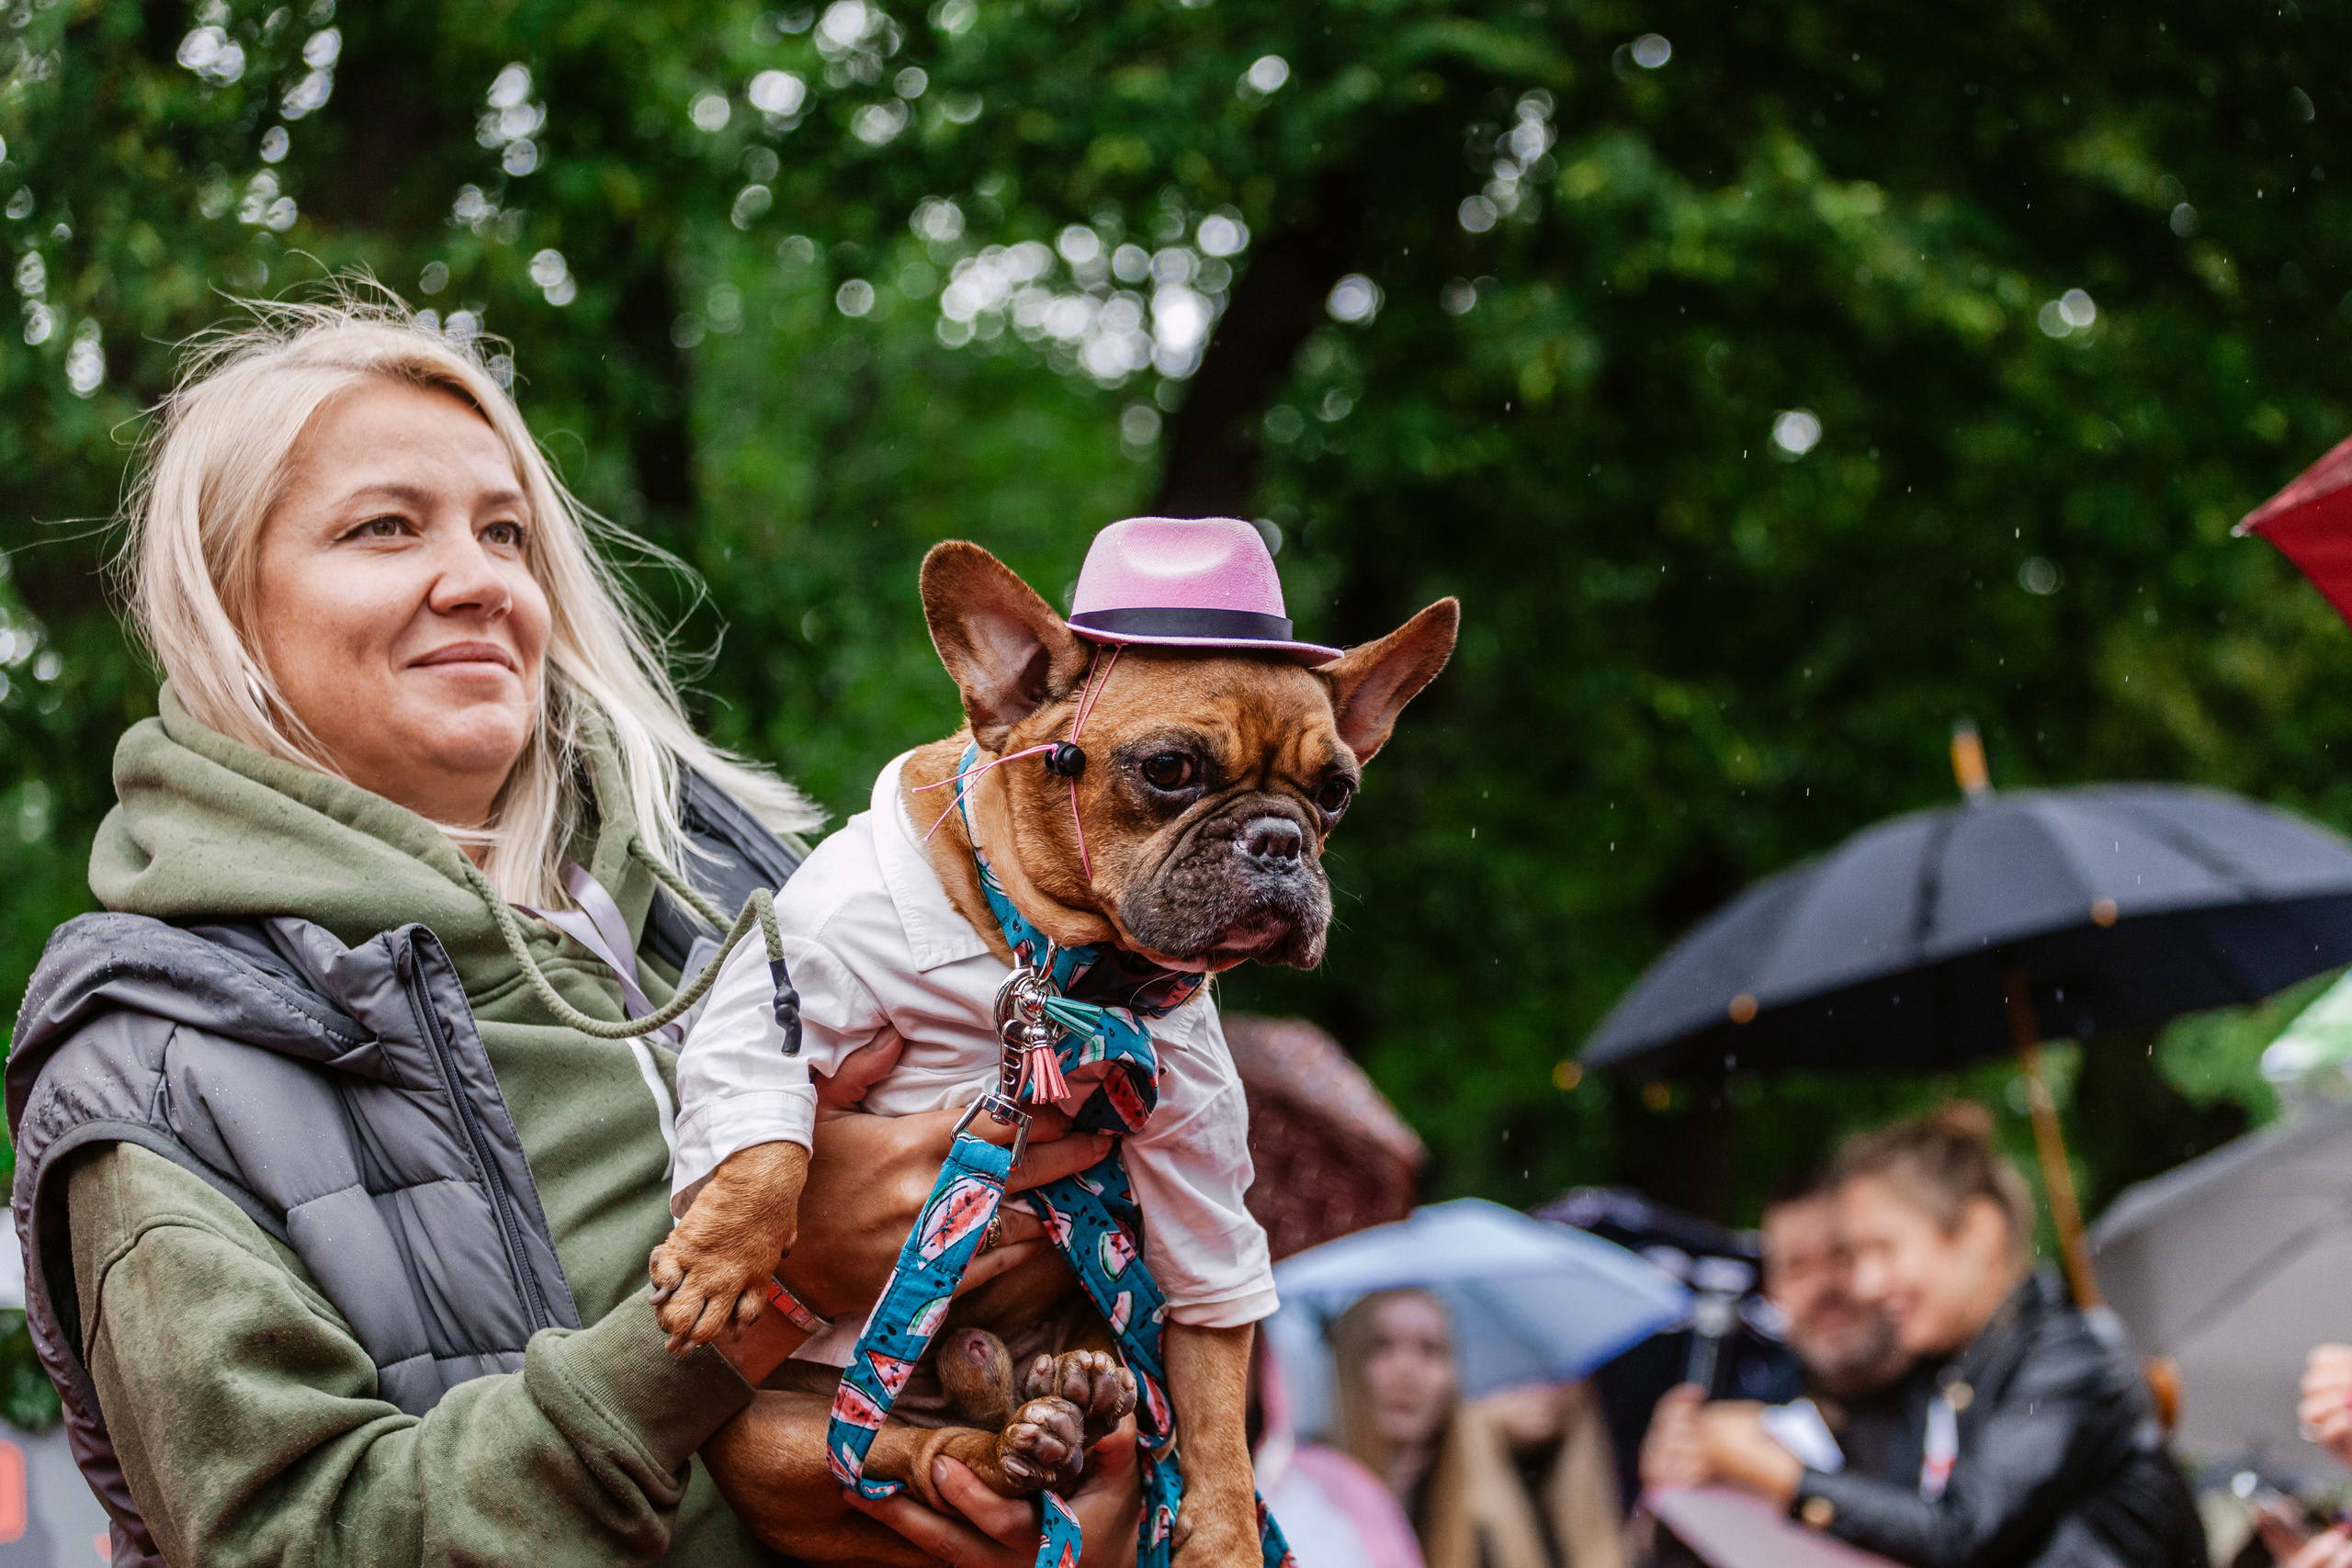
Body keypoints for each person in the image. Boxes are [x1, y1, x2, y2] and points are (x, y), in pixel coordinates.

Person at [6, 295, 1141, 1567]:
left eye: (506, 531)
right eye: (384, 527)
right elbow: (300, 1538)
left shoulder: (755, 887)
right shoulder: (152, 1063)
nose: (481, 579)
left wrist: (1088, 1480)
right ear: (225, 600)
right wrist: (762, 1289)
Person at [1675, 1105, 2203, 1567]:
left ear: (1977, 1232)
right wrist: (1710, 1446)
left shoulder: (2072, 1358)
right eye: (1856, 1256)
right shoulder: (1950, 1366)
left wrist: (1781, 1476)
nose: (1866, 1283)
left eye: (1884, 1249)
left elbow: (1961, 1532)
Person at [1642, 1168, 1917, 1494]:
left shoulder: (1957, 1396)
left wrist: (1782, 1477)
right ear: (1772, 1291)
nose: (1823, 1287)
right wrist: (1672, 1486)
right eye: (1797, 1268)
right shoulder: (1750, 1410)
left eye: (1842, 1255)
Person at [1330, 1289, 1627, 1568]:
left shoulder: (1481, 1521)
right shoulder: (1307, 1495)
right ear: (1347, 1361)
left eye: (1430, 1350)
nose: (1406, 1370)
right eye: (1381, 1346)